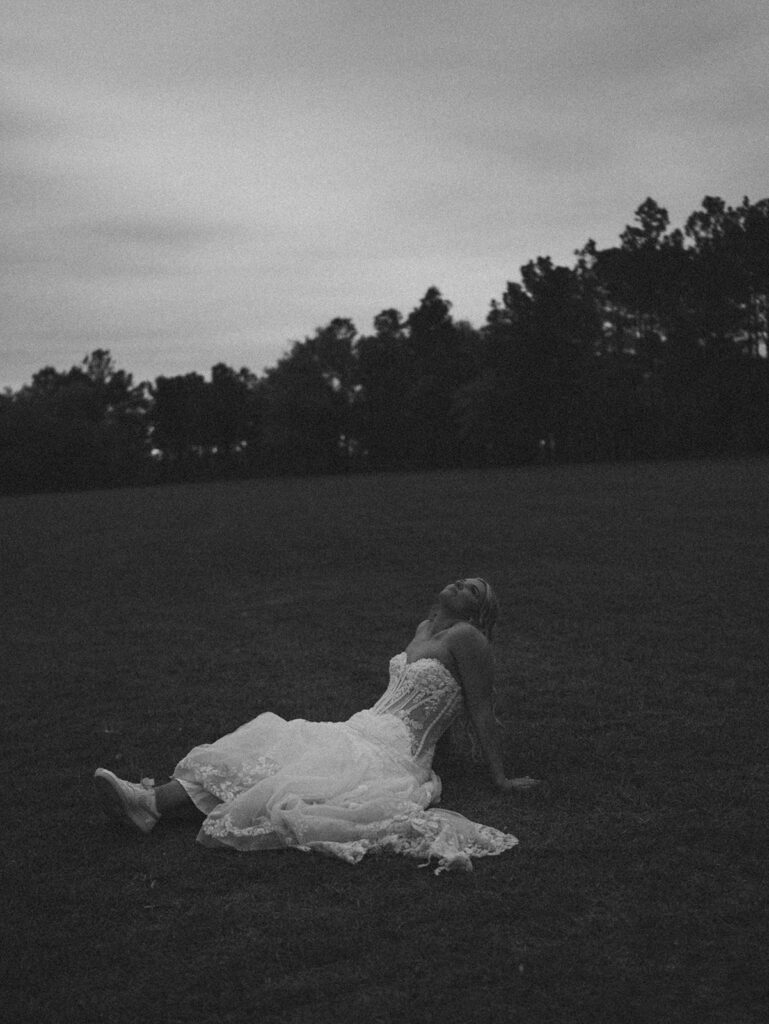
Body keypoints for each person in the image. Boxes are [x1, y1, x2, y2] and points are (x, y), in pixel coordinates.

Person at [93, 577, 538, 873]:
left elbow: (480, 708)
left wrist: (499, 778)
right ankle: (149, 802)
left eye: (476, 591)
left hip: (394, 752)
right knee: (267, 751)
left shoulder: (468, 637)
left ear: (480, 614)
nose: (463, 583)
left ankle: (149, 802)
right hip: (359, 726)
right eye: (464, 579)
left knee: (286, 773)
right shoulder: (425, 628)